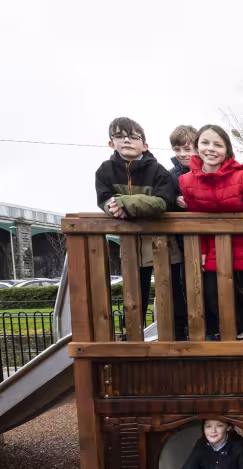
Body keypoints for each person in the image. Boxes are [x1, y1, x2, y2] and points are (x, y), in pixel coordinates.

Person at [95, 117, 186, 340]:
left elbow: (163, 202)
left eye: (133, 136)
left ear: (145, 145)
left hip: (161, 241)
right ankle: (131, 336)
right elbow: (105, 200)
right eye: (119, 136)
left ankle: (178, 333)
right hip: (130, 243)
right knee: (133, 293)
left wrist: (126, 204)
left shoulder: (158, 171)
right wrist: (113, 207)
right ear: (111, 143)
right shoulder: (105, 171)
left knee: (173, 291)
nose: (126, 140)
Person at [179, 125, 243, 340]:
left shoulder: (242, 176)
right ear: (197, 147)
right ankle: (233, 331)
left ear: (227, 149)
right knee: (212, 293)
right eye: (205, 143)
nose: (211, 149)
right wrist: (203, 249)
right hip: (213, 247)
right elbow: (198, 219)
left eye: (218, 144)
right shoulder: (187, 181)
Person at [168, 125, 198, 202]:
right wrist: (176, 200)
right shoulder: (170, 175)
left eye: (187, 149)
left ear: (198, 149)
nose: (182, 154)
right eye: (177, 150)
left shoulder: (210, 171)